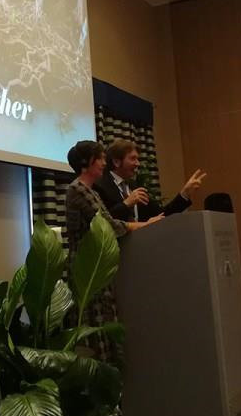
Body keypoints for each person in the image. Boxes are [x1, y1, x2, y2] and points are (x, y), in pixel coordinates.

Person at [65, 140, 163, 363]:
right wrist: (147, 225)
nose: (104, 163)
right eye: (100, 159)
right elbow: (110, 225)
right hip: (88, 268)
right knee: (94, 326)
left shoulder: (89, 191)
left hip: (97, 265)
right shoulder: (77, 189)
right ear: (88, 162)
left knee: (104, 321)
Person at [95, 138, 206, 223]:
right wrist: (126, 203)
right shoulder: (100, 185)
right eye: (133, 159)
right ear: (116, 162)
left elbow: (161, 215)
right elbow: (102, 221)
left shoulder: (134, 186)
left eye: (138, 159)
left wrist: (184, 194)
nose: (138, 164)